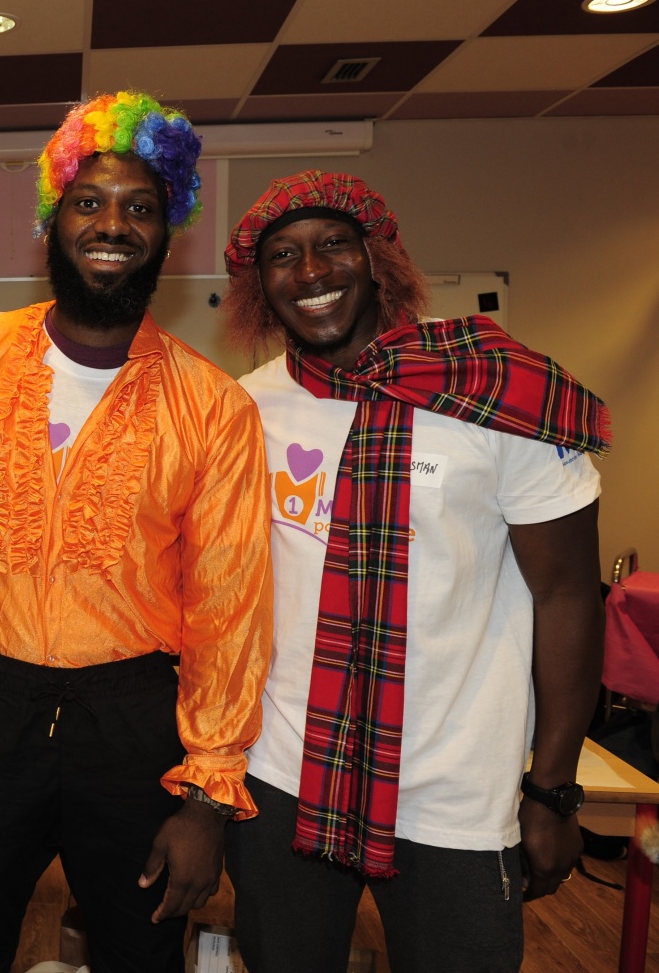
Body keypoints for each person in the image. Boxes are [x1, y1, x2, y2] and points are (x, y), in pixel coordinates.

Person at [0, 90, 274, 973]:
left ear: (166, 231)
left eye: (140, 207)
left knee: (140, 956)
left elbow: (230, 611)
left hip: (133, 729)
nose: (113, 223)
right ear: (53, 219)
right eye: (89, 201)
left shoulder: (212, 407)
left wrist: (207, 797)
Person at [219, 170, 609, 973]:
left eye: (333, 245)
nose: (311, 272)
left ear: (378, 258)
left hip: (455, 795)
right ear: (259, 288)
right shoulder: (243, 410)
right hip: (284, 775)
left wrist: (553, 788)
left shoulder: (498, 396)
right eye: (282, 257)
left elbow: (568, 596)